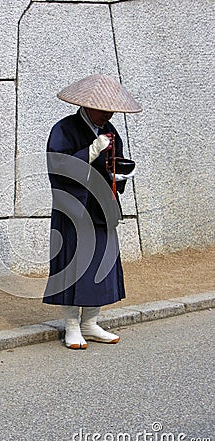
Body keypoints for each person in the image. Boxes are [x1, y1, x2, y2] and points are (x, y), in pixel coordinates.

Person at [42, 74, 142, 349]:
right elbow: (58, 167)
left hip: (102, 207)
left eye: (111, 110)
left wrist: (120, 175)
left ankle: (90, 322)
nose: (107, 115)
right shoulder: (64, 130)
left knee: (101, 263)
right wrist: (90, 151)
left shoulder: (110, 131)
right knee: (74, 265)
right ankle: (72, 325)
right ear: (86, 105)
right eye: (102, 109)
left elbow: (114, 164)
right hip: (74, 207)